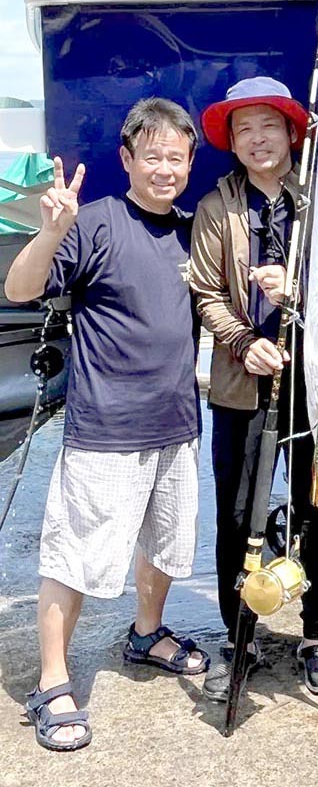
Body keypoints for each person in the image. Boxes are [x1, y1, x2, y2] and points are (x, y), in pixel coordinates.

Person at [4, 98, 208, 751]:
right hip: (105, 432)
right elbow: (18, 289)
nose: (164, 169)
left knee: (166, 546)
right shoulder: (93, 223)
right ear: (127, 158)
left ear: (189, 164)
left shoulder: (194, 232)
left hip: (177, 425)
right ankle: (52, 681)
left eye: (176, 158)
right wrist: (49, 232)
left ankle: (146, 633)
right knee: (73, 558)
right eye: (152, 156)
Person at [190, 76, 318, 701]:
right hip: (242, 385)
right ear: (232, 142)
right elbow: (205, 293)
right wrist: (242, 340)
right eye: (244, 130)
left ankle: (317, 634)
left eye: (268, 126)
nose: (258, 139)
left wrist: (300, 292)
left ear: (291, 131)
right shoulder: (216, 207)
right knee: (238, 511)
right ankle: (241, 633)